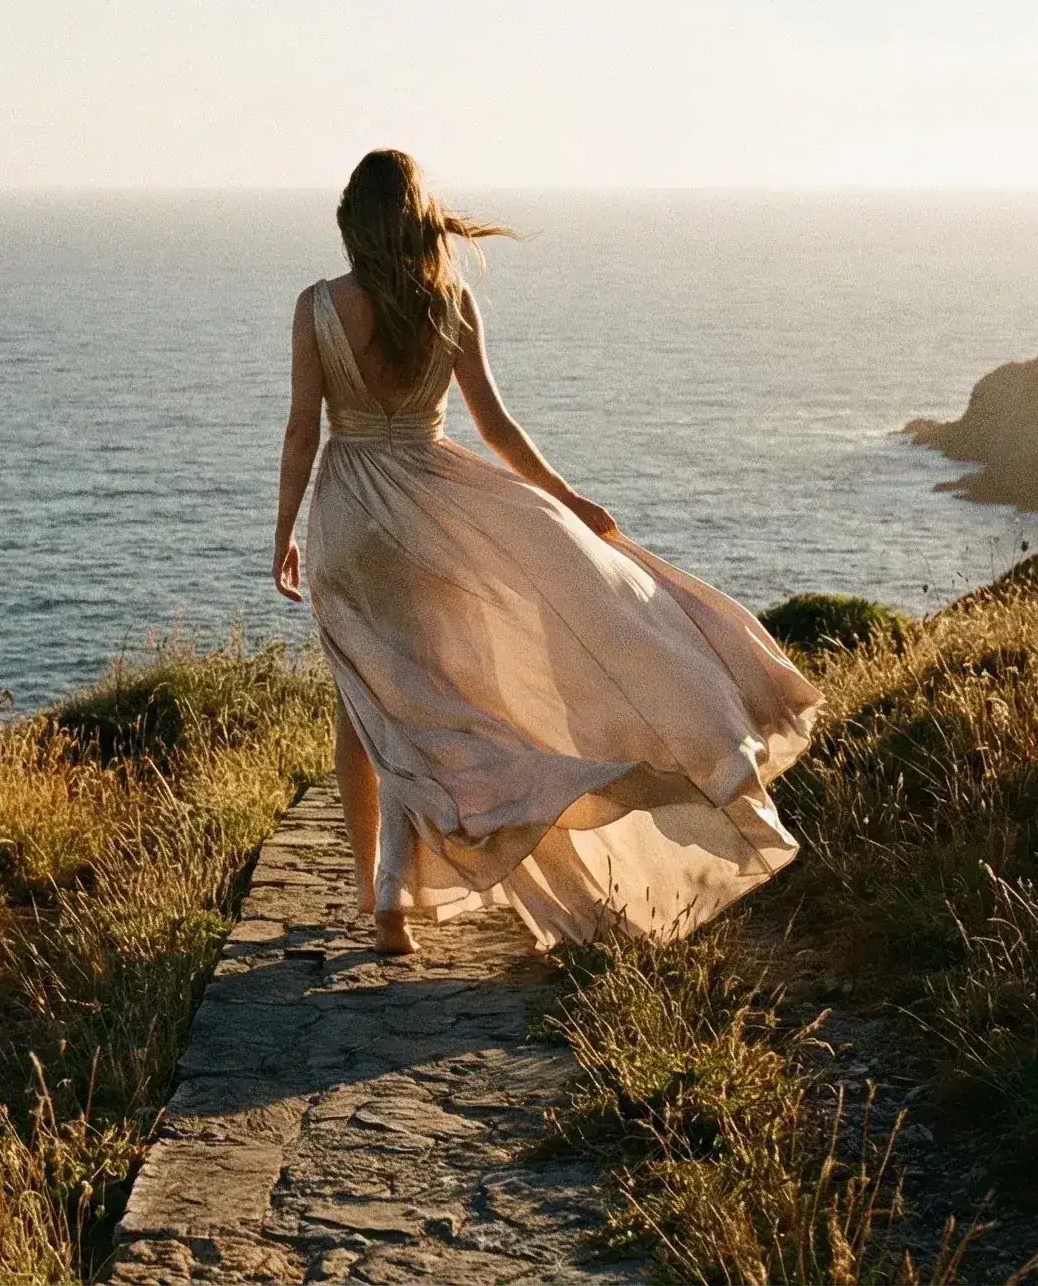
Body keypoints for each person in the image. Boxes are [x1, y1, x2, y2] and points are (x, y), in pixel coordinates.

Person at [272, 150, 822, 955]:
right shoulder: (449, 303)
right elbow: (493, 425)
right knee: (431, 701)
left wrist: (283, 532)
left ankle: (378, 893)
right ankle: (402, 882)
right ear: (421, 220)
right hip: (434, 516)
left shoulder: (317, 306)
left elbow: (301, 430)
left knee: (366, 705)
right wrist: (564, 498)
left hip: (349, 516)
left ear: (351, 224)